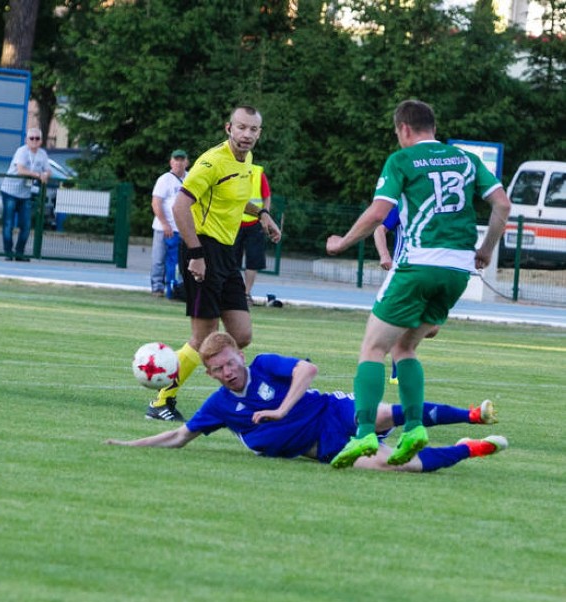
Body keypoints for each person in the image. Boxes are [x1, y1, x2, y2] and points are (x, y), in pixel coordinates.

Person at [325, 99, 511, 468]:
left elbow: (379, 214)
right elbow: (502, 205)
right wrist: (486, 250)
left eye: (398, 133)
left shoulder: (402, 160)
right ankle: (412, 428)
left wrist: (342, 242)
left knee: (373, 348)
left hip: (418, 264)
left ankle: (363, 433)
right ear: (433, 127)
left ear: (404, 129)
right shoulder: (466, 159)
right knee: (406, 348)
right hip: (458, 271)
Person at [110, 332, 505, 473]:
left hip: (332, 410)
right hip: (324, 446)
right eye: (218, 369)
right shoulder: (218, 407)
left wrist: (281, 410)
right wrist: (129, 445)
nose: (227, 372)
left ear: (240, 357)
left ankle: (471, 415)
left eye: (230, 363)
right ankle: (464, 451)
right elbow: (179, 436)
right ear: (209, 373)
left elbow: (307, 371)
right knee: (397, 466)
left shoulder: (264, 365)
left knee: (385, 412)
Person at [145, 105, 281, 423]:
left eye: (253, 129)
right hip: (201, 248)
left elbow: (232, 199)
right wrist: (195, 254)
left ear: (259, 133)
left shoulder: (246, 161)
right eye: (241, 127)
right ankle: (161, 399)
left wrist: (261, 214)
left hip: (226, 253)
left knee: (241, 334)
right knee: (203, 338)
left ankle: (225, 387)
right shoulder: (210, 161)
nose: (247, 134)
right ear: (228, 128)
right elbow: (180, 206)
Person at [373, 206, 441, 384]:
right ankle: (398, 372)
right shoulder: (402, 205)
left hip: (430, 274)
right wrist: (384, 255)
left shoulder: (439, 208)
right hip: (404, 273)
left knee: (432, 329)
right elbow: (379, 230)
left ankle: (397, 341)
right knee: (404, 321)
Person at [0, 128, 50, 261]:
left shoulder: (42, 154)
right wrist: (39, 175)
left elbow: (48, 170)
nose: (34, 141)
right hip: (10, 191)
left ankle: (20, 252)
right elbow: (21, 169)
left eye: (37, 138)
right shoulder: (21, 151)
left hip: (25, 194)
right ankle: (8, 252)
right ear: (26, 140)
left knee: (26, 225)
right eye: (31, 138)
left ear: (41, 140)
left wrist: (46, 174)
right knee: (8, 223)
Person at [150, 149, 189, 299]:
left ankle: (176, 287)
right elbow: (156, 202)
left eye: (182, 160)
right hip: (163, 228)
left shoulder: (190, 178)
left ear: (186, 162)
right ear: (171, 162)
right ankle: (157, 287)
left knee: (180, 261)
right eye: (176, 160)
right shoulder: (165, 179)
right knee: (159, 259)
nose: (179, 163)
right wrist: (165, 223)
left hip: (182, 228)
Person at [234, 164, 273, 306]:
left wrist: (265, 216)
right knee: (232, 260)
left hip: (255, 223)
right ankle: (234, 292)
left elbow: (266, 196)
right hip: (234, 222)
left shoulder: (257, 172)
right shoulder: (231, 169)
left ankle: (246, 293)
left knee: (253, 260)